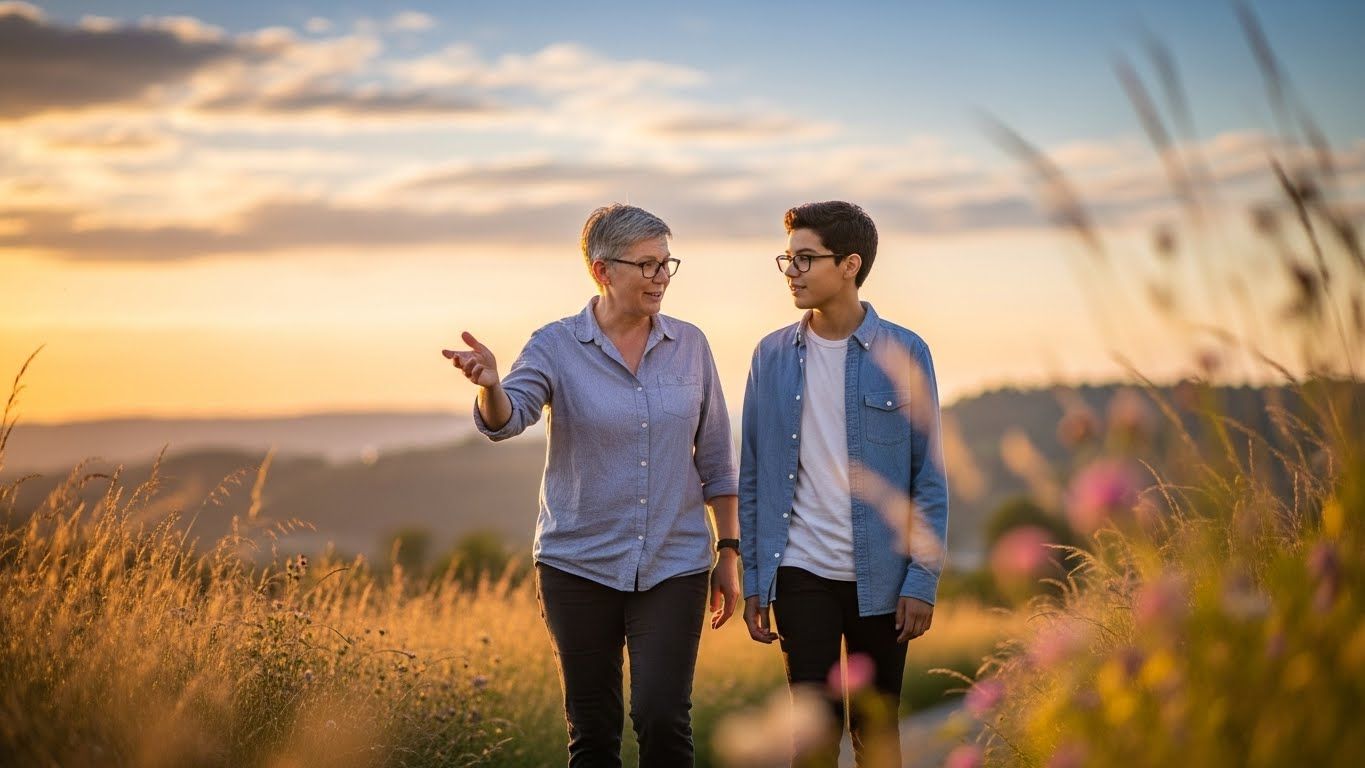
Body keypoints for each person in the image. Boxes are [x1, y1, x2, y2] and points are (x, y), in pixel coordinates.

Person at [443, 204, 740, 768]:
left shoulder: (691, 345)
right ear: (603, 270)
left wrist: (728, 549)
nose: (661, 277)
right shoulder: (556, 345)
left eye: (666, 264)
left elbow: (718, 458)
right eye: (647, 265)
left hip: (674, 562)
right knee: (593, 730)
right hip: (577, 565)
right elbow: (507, 419)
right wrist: (490, 386)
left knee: (662, 716)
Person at [738, 201, 949, 766]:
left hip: (884, 577)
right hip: (800, 571)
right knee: (811, 736)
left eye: (806, 259)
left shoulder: (905, 352)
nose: (792, 272)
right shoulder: (770, 356)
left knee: (876, 733)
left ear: (850, 265)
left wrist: (922, 578)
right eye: (787, 259)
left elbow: (928, 475)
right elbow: (753, 475)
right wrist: (756, 578)